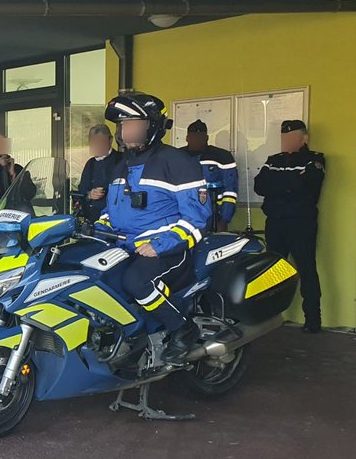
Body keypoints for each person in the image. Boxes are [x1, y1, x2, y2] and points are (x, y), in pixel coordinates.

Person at [96, 91, 210, 362]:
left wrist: (159, 245)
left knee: (136, 282)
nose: (126, 131)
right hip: (125, 247)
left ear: (153, 126)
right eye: (123, 125)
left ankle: (183, 328)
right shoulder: (121, 165)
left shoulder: (178, 162)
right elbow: (112, 211)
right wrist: (98, 228)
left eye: (133, 124)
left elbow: (197, 219)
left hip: (168, 250)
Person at [254, 119, 326, 332]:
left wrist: (278, 186)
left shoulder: (314, 159)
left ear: (304, 139)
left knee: (306, 269)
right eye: (283, 137)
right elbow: (260, 186)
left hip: (301, 223)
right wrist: (292, 183)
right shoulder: (273, 160)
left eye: (291, 137)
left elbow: (309, 184)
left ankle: (313, 320)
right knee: (272, 271)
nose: (285, 141)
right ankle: (269, 319)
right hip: (275, 222)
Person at [181, 120, 238, 233]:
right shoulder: (177, 157)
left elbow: (230, 191)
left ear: (207, 138)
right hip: (182, 215)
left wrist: (224, 220)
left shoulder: (222, 157)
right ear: (187, 138)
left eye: (200, 137)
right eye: (193, 137)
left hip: (214, 216)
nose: (197, 140)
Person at [74, 125, 121, 223]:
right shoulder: (90, 163)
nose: (97, 146)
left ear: (110, 140)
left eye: (100, 142)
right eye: (94, 143)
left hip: (114, 218)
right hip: (92, 218)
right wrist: (89, 194)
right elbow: (82, 190)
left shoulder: (121, 160)